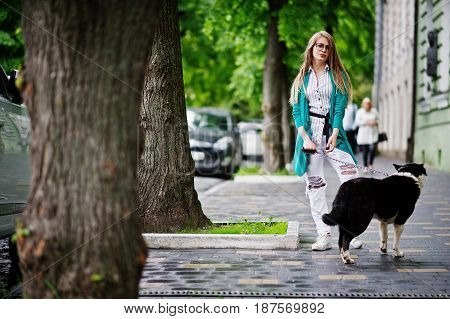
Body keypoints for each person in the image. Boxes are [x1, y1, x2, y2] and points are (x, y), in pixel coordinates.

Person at [290, 31, 362, 251]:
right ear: (311, 48)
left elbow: (340, 108)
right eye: (319, 45)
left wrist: (334, 133)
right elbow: (296, 111)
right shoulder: (302, 78)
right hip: (309, 139)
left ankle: (351, 231)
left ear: (331, 51)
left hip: (333, 137)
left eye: (327, 47)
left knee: (353, 181)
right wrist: (306, 139)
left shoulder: (338, 75)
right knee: (315, 186)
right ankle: (324, 234)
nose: (323, 49)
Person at [355, 97, 378, 173]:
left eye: (368, 104)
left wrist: (374, 122)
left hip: (372, 134)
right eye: (366, 104)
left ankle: (371, 164)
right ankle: (365, 166)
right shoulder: (360, 111)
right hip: (363, 134)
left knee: (372, 149)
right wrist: (366, 122)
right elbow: (357, 122)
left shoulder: (374, 111)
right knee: (365, 151)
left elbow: (378, 120)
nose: (367, 105)